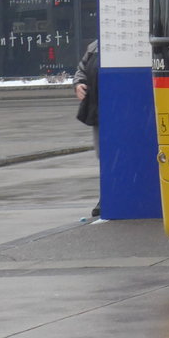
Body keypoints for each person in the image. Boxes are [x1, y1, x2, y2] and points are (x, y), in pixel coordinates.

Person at [73, 39, 100, 217]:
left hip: (120, 111)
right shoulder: (94, 47)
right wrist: (79, 84)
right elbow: (81, 71)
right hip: (99, 111)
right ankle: (106, 195)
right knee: (103, 155)